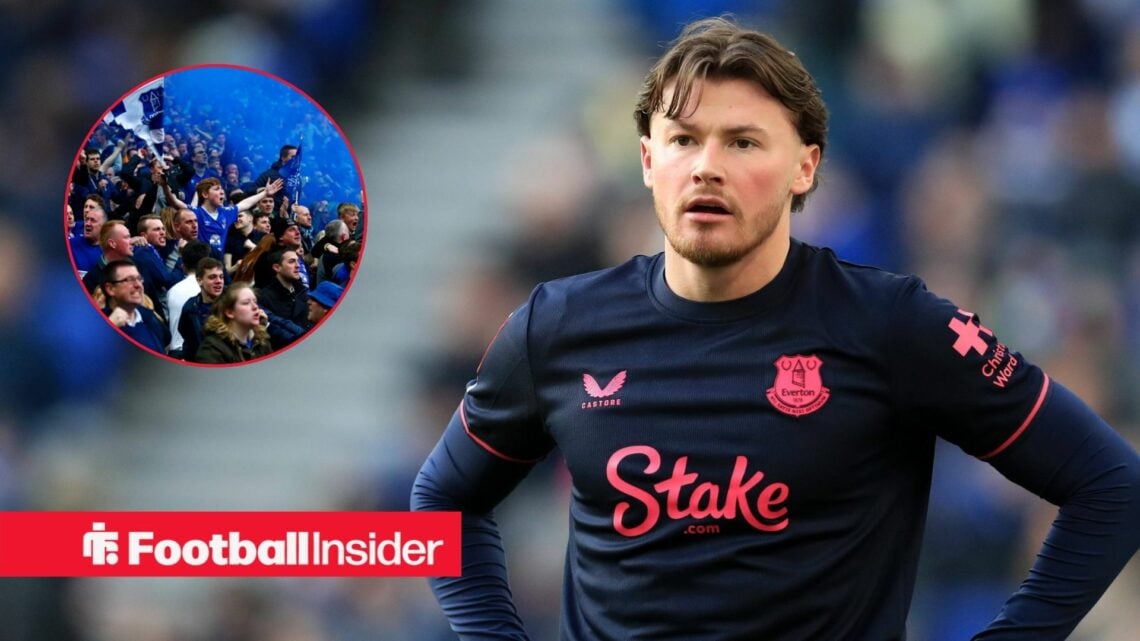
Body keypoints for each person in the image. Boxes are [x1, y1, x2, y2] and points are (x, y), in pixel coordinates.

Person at [411, 17, 1140, 641]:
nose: (706, 167)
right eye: (683, 140)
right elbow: (442, 499)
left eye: (743, 143)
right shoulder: (557, 325)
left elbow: (1111, 485)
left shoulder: (892, 325)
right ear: (645, 160)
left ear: (805, 167)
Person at [101, 259, 169, 355]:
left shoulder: (150, 319)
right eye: (129, 280)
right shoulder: (97, 325)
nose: (138, 285)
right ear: (110, 289)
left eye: (139, 279)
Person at [195, 283, 272, 364]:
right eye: (246, 303)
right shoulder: (212, 349)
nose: (255, 307)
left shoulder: (261, 340)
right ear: (230, 312)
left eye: (255, 301)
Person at [177, 257, 225, 362]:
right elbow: (186, 337)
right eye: (212, 277)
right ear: (199, 280)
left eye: (221, 277)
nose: (219, 281)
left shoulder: (234, 303)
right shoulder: (190, 308)